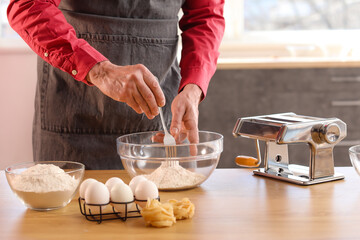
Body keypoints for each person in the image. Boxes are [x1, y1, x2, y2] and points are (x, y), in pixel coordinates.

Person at [7, 0, 225, 169]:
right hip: (72, 120)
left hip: (161, 125)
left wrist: (193, 88)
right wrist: (99, 71)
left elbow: (206, 16)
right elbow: (28, 5)